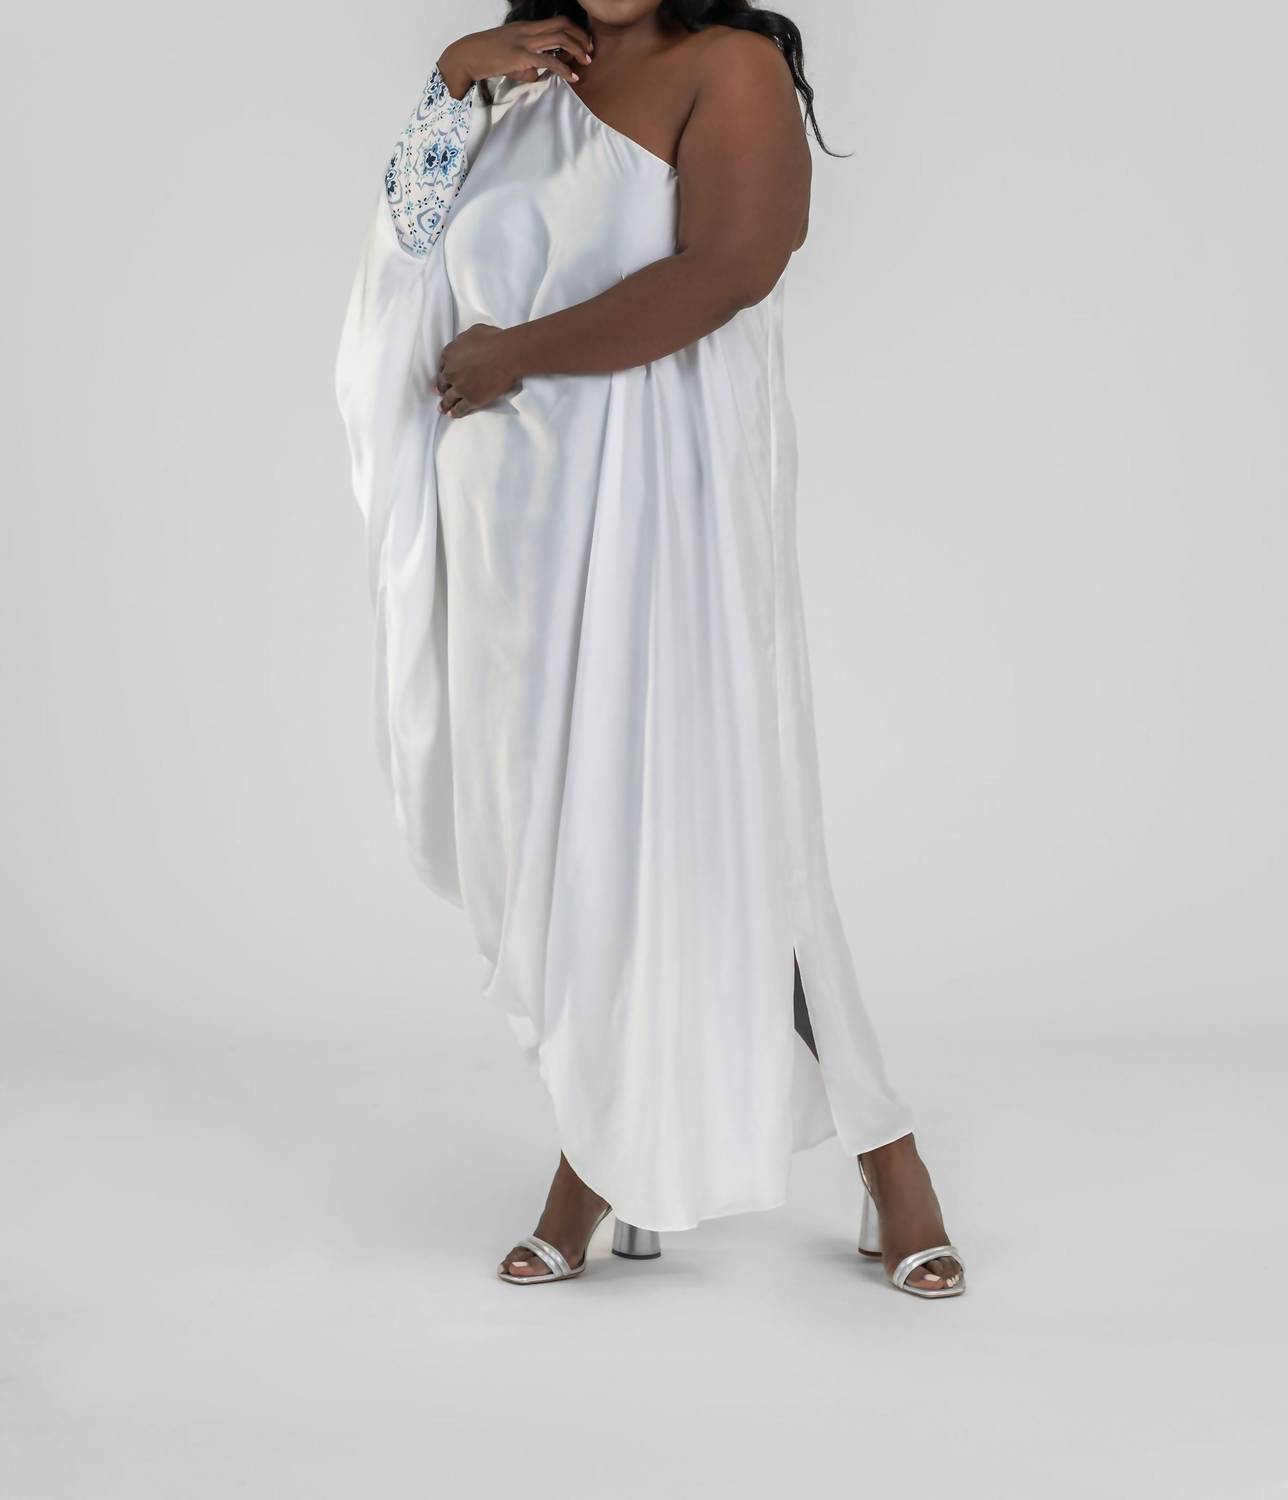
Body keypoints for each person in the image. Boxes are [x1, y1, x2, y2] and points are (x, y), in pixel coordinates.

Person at [336, 0, 964, 1299]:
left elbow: (730, 268)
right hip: (513, 535)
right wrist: (449, 84)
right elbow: (406, 258)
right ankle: (605, 1141)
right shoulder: (520, 78)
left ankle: (885, 1151)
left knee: (725, 829)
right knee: (570, 856)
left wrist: (518, 351)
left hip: (662, 519)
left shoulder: (729, 66)